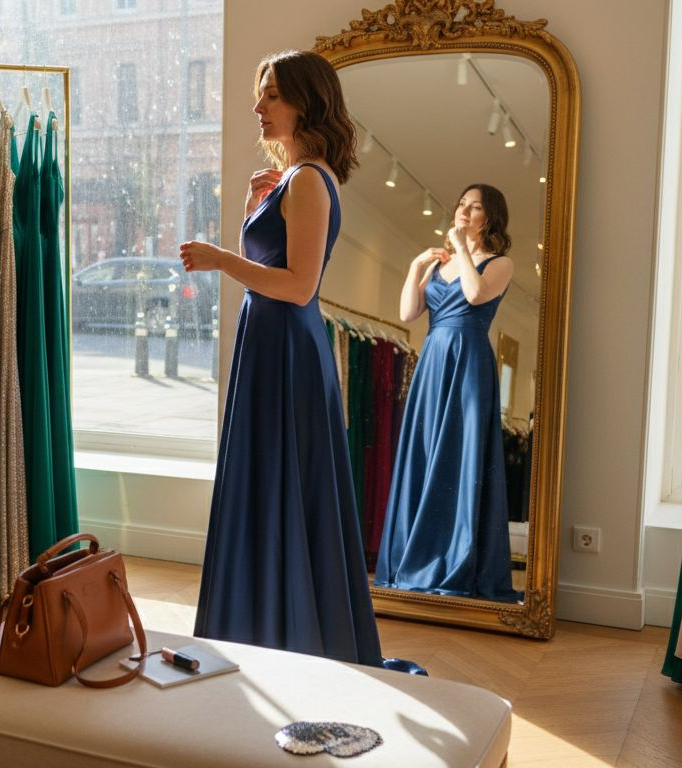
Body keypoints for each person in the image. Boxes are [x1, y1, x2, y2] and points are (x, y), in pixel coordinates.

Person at [179, 49, 382, 666]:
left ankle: (283, 629)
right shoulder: (293, 179)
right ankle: (263, 623)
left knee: (282, 482)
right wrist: (251, 215)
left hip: (288, 348)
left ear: (305, 101)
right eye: (260, 93)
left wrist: (221, 258)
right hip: (270, 344)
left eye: (271, 94)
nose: (258, 106)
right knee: (268, 482)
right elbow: (273, 270)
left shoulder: (311, 179)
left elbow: (297, 286)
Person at [374, 184, 522, 602]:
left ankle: (454, 560)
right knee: (423, 453)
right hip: (433, 362)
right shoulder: (442, 264)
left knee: (459, 455)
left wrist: (461, 248)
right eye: (461, 204)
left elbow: (475, 294)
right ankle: (411, 557)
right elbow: (408, 313)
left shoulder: (500, 263)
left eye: (475, 207)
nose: (464, 211)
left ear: (490, 218)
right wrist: (415, 267)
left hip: (469, 361)